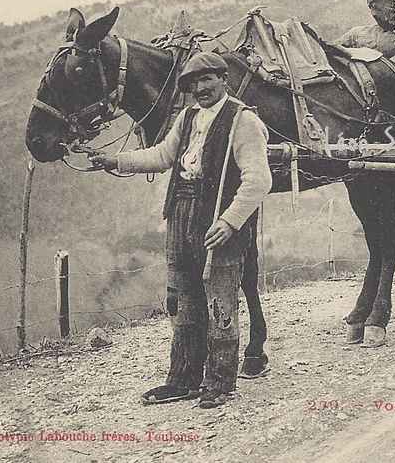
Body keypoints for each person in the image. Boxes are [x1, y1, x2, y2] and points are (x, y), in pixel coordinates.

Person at [91, 51, 272, 409]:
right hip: (180, 212)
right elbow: (161, 156)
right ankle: (183, 380)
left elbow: (258, 180)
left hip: (217, 220)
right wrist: (116, 160)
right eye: (193, 83)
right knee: (183, 300)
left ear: (224, 79)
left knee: (220, 301)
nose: (201, 88)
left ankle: (220, 381)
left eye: (208, 79)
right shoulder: (188, 118)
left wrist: (229, 221)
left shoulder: (243, 121)